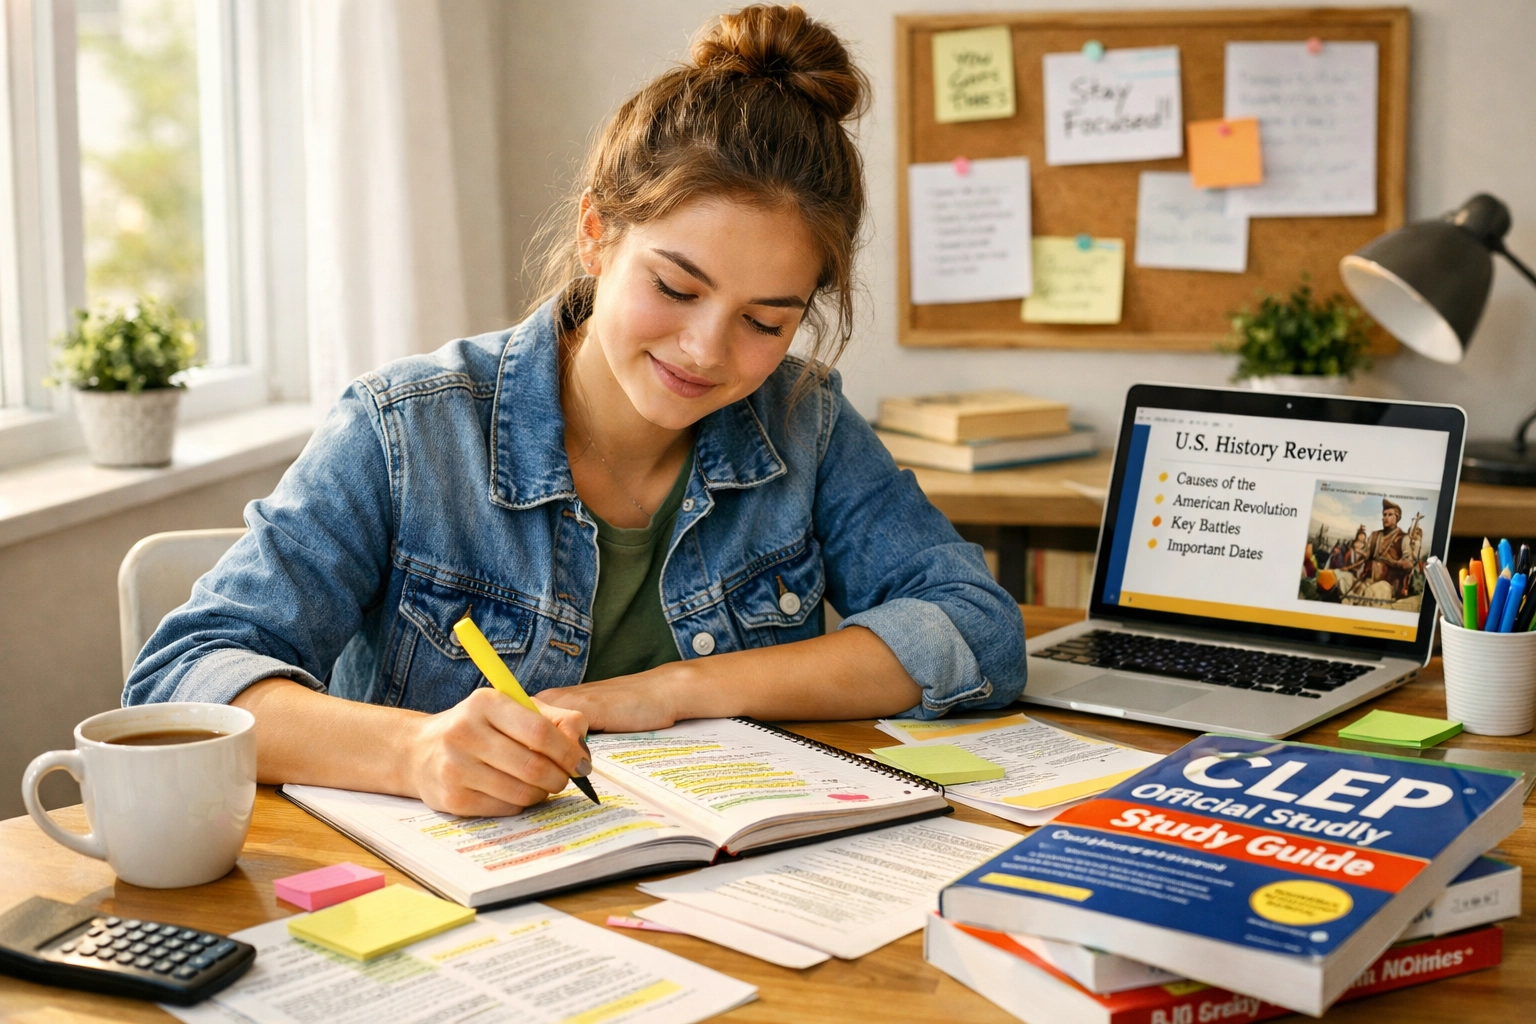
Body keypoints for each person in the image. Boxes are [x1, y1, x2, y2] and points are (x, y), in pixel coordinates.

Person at [124, 4, 1024, 818]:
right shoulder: (405, 430)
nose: (706, 350)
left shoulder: (803, 421)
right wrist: (412, 752)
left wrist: (677, 689)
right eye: (676, 288)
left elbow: (974, 626)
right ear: (596, 234)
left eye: (764, 321)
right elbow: (181, 681)